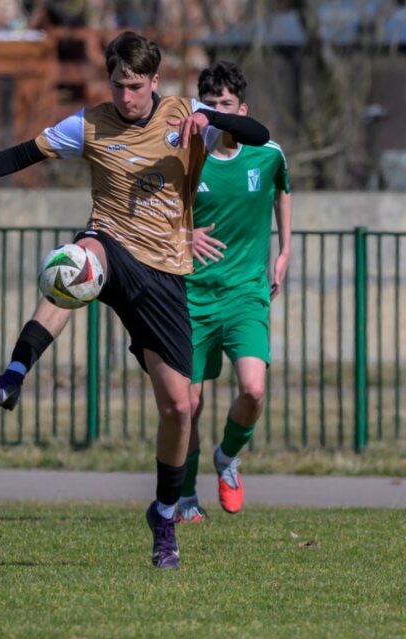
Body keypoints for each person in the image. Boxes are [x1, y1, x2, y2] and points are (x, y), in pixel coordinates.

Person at [0, 31, 270, 568]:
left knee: (179, 407)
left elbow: (258, 132)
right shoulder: (88, 124)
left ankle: (163, 512)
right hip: (111, 244)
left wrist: (210, 118)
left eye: (135, 86)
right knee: (75, 262)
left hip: (165, 275)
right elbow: (25, 152)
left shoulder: (185, 113)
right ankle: (14, 373)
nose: (125, 96)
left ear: (154, 81)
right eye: (117, 85)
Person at [176, 62, 292, 523]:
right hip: (191, 295)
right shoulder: (187, 154)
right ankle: (186, 497)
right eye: (209, 105)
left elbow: (282, 190)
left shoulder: (268, 153)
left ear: (242, 110)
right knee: (188, 404)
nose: (217, 112)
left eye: (226, 104)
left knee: (254, 389)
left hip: (246, 293)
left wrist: (285, 251)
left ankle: (227, 456)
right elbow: (159, 213)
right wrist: (185, 237)